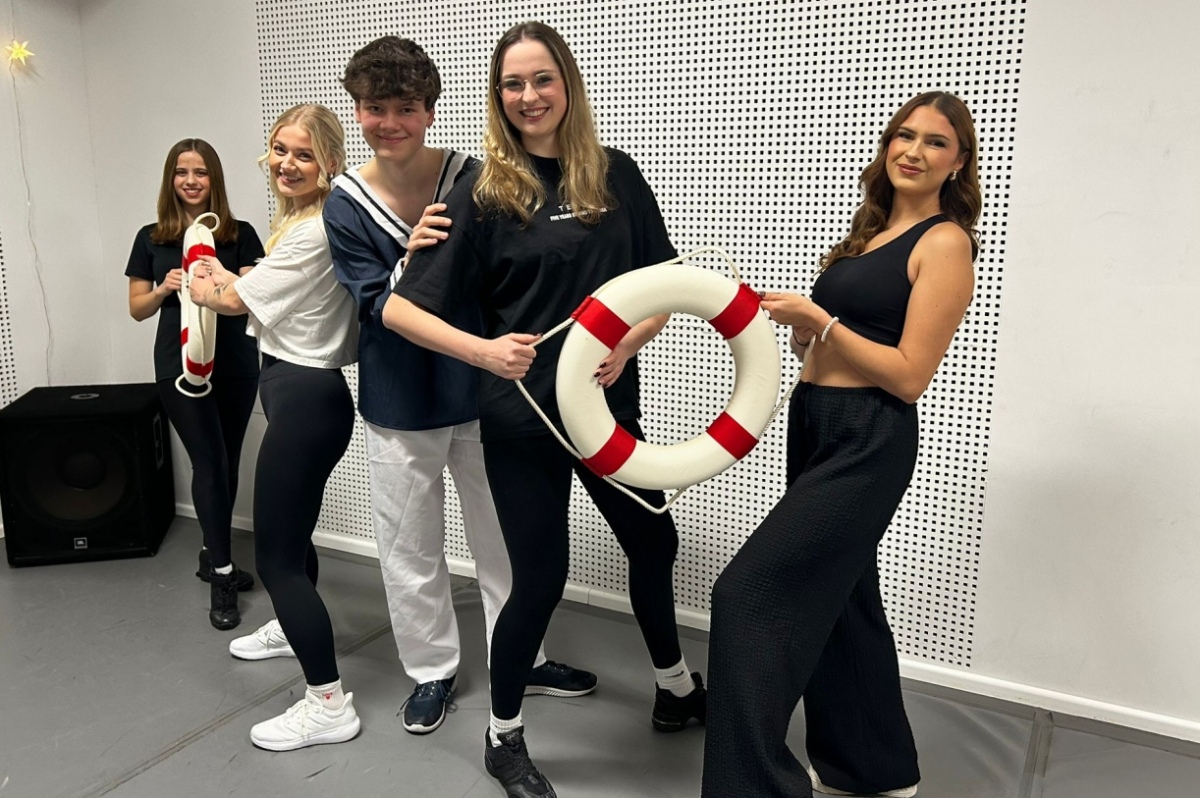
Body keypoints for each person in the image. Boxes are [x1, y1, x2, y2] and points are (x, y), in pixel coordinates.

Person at [384, 21, 706, 798]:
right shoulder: (484, 193)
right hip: (524, 416)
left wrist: (630, 340)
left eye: (541, 79)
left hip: (607, 409)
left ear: (567, 84)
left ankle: (675, 689)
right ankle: (503, 738)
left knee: (652, 541)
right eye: (512, 84)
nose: (528, 96)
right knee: (540, 579)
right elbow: (399, 310)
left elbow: (665, 284)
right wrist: (485, 352)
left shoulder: (615, 175)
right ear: (498, 96)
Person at [304, 35, 595, 736]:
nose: (390, 122)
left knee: (506, 540)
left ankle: (522, 658)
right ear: (357, 110)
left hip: (488, 392)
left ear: (430, 110)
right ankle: (431, 669)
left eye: (406, 107)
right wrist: (411, 261)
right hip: (402, 397)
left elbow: (509, 274)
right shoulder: (344, 203)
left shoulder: (474, 177)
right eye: (375, 108)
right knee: (409, 543)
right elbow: (376, 304)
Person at [701, 91, 981, 798]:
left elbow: (909, 375)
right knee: (845, 598)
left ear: (958, 162)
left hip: (869, 435)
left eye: (936, 142)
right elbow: (848, 341)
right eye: (904, 136)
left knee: (746, 595)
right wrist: (808, 336)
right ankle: (872, 770)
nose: (914, 151)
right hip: (816, 419)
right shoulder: (873, 233)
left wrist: (822, 322)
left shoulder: (945, 243)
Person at [188, 104, 362, 752]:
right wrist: (226, 275)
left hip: (307, 398)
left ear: (330, 163)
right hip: (299, 394)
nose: (288, 164)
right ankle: (293, 632)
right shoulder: (303, 222)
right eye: (280, 150)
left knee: (276, 560)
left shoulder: (314, 229)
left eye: (304, 154)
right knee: (293, 538)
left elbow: (235, 301)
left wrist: (203, 286)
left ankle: (328, 704)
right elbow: (262, 285)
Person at [125, 138, 263, 631]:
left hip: (236, 363)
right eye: (182, 172)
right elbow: (137, 308)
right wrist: (165, 287)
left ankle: (212, 553)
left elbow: (253, 295)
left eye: (200, 172)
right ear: (171, 179)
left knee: (227, 463)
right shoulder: (150, 238)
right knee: (209, 461)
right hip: (178, 366)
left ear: (214, 179)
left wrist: (219, 280)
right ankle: (222, 575)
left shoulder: (240, 234)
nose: (190, 180)